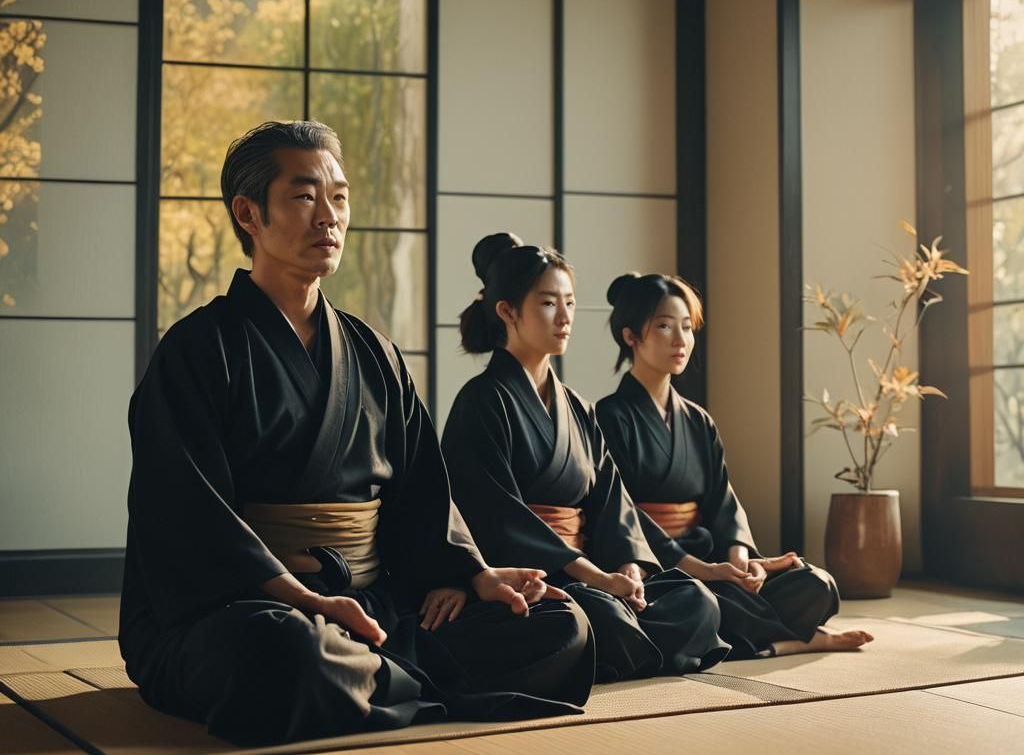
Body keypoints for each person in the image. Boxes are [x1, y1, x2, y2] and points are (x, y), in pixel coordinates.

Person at [118, 122, 593, 747]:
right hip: (247, 607)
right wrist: (304, 600)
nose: (329, 217)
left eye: (339, 198)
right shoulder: (198, 350)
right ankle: (397, 675)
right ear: (248, 213)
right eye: (304, 196)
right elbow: (186, 515)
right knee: (283, 650)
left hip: (373, 606)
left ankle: (376, 676)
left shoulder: (375, 354)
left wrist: (471, 575)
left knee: (565, 622)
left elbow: (424, 495)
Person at [441, 233, 729, 683]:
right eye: (548, 304)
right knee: (590, 617)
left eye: (570, 303)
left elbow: (612, 500)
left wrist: (628, 565)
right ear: (507, 311)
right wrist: (595, 578)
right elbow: (496, 515)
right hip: (537, 573)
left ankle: (622, 652)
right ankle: (640, 651)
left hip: (594, 567)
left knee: (695, 601)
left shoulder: (576, 406)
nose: (565, 318)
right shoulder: (481, 400)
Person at [595, 272, 873, 658]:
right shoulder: (609, 417)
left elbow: (723, 502)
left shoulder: (697, 420)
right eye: (663, 326)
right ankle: (802, 640)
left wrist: (740, 563)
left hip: (711, 557)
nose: (680, 340)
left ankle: (754, 636)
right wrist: (703, 570)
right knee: (696, 604)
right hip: (659, 566)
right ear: (630, 336)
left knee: (816, 584)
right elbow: (621, 514)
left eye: (688, 328)